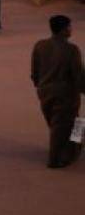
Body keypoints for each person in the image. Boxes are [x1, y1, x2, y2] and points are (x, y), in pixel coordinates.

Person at [31, 15, 84, 169]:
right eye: (69, 27)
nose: (71, 29)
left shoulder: (40, 46)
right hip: (65, 95)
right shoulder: (71, 50)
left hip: (45, 92)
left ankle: (75, 147)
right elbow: (78, 75)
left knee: (70, 123)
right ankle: (57, 159)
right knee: (62, 127)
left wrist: (38, 84)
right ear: (64, 30)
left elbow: (35, 70)